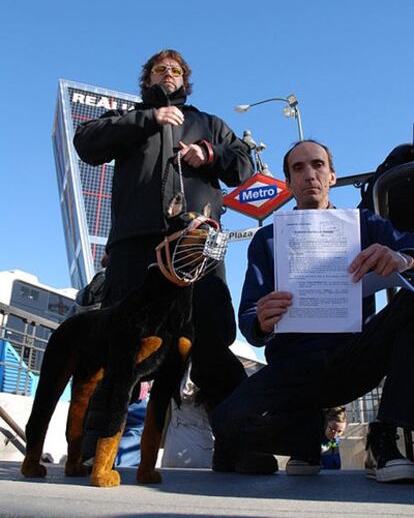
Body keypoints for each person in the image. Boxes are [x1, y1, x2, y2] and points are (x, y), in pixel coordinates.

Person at [74, 49, 275, 473]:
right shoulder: (127, 118)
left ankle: (238, 446)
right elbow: (85, 144)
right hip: (135, 247)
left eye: (176, 70)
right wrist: (149, 119)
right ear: (146, 79)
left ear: (186, 80)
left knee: (209, 341)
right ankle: (95, 446)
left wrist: (210, 154)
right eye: (159, 69)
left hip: (199, 243)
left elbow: (244, 170)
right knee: (120, 345)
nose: (169, 74)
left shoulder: (211, 123)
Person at [212, 139, 414, 483]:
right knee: (227, 421)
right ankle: (308, 439)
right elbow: (248, 320)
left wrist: (403, 258)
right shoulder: (268, 239)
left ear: (332, 176)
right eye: (298, 168)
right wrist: (261, 320)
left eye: (318, 165)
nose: (310, 175)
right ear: (288, 183)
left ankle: (384, 434)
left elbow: (410, 246)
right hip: (291, 366)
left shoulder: (364, 225)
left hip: (353, 356)